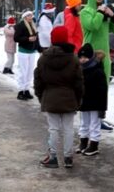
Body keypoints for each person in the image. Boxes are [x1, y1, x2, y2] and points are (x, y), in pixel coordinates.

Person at [34, 26, 83, 168]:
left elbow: (38, 80)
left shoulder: (44, 58)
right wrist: (78, 99)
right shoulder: (73, 58)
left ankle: (53, 157)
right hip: (69, 97)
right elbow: (79, 81)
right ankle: (68, 157)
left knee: (53, 128)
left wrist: (41, 96)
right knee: (68, 128)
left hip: (50, 96)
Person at [80, 0, 114, 132]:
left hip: (104, 55)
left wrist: (113, 16)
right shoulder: (85, 12)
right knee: (89, 90)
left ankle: (99, 119)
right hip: (89, 55)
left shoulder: (102, 11)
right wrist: (100, 13)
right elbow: (93, 26)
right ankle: (85, 123)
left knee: (103, 88)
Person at [76, 43, 108, 156]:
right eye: (80, 57)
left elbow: (103, 90)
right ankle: (83, 142)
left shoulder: (97, 71)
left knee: (94, 124)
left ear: (90, 57)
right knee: (84, 122)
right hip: (84, 101)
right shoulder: (79, 69)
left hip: (95, 102)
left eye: (85, 57)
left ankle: (94, 144)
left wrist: (102, 107)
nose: (82, 60)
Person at [13, 11, 38, 100]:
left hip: (32, 51)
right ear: (24, 17)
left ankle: (26, 89)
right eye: (28, 15)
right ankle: (21, 91)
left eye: (31, 15)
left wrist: (36, 44)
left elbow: (36, 37)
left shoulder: (33, 25)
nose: (30, 17)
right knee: (23, 71)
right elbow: (16, 38)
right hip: (23, 51)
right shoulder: (21, 25)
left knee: (29, 72)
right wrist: (28, 39)